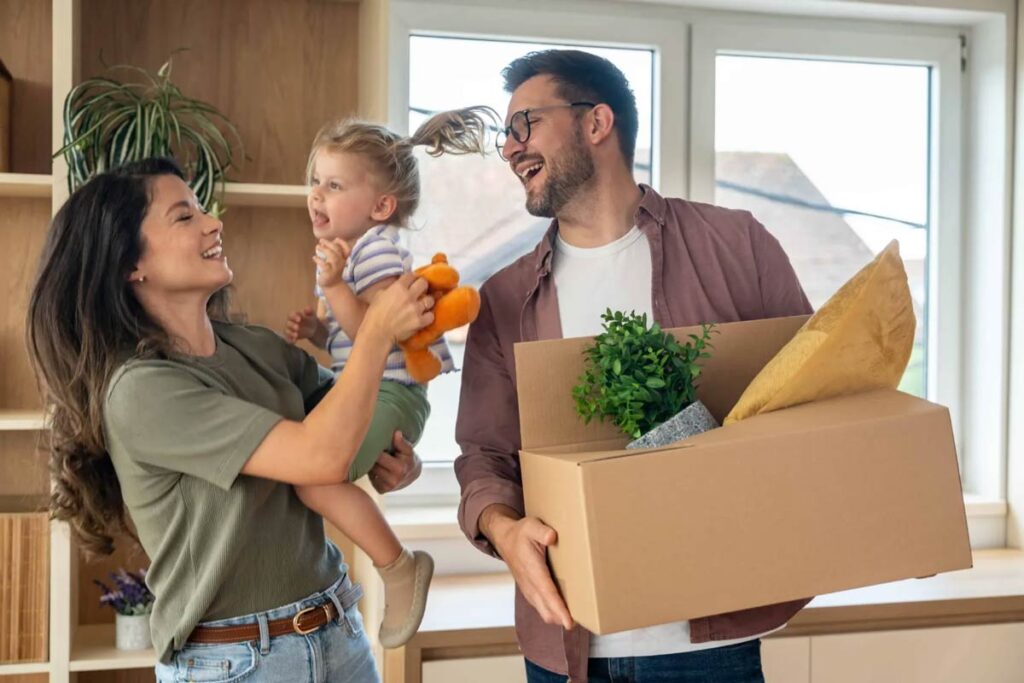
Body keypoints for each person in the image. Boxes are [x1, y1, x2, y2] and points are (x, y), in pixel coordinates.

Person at [455, 50, 814, 683]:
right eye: (505, 136)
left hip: (712, 645)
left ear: (596, 123)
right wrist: (503, 530)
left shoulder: (735, 245)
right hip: (567, 647)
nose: (509, 150)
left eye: (524, 125)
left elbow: (813, 393)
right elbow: (483, 454)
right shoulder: (505, 298)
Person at [27, 157, 431, 682]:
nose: (213, 223)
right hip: (237, 662)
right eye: (184, 216)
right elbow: (321, 455)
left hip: (337, 630)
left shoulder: (258, 347)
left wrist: (396, 452)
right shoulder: (142, 390)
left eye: (203, 211)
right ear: (131, 264)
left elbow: (357, 415)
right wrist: (375, 331)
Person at [283, 108, 493, 647]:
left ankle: (398, 566)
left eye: (334, 185)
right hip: (370, 389)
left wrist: (331, 290)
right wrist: (316, 329)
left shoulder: (376, 248)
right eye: (315, 182)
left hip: (392, 392)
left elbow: (380, 333)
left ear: (380, 206)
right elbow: (350, 336)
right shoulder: (349, 253)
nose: (316, 195)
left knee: (315, 474)